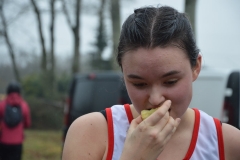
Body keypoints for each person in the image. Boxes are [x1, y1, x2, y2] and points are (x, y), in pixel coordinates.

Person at [62, 5, 240, 160]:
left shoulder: (227, 143)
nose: (155, 100)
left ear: (196, 67)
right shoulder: (89, 133)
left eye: (170, 81)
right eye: (139, 84)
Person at [0, 81, 31, 160]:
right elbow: (27, 123)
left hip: (3, 141)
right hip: (17, 142)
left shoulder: (2, 105)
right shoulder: (24, 105)